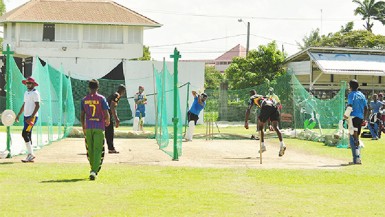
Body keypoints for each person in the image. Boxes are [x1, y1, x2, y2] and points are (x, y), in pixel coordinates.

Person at [81, 79, 110, 180]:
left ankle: (92, 169)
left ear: (89, 87)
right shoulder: (101, 98)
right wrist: (107, 120)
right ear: (98, 87)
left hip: (88, 126)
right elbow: (106, 113)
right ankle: (94, 171)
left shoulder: (84, 100)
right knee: (98, 149)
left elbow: (82, 114)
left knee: (90, 149)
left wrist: (83, 126)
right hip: (99, 126)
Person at [245, 90, 286, 157]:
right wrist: (269, 124)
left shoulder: (252, 98)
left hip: (266, 107)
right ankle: (282, 144)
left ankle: (262, 146)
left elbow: (248, 109)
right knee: (276, 127)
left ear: (251, 94)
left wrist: (246, 122)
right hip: (275, 107)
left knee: (260, 126)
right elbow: (269, 111)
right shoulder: (263, 96)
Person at [15, 77, 41, 163]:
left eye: (30, 83)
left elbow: (37, 106)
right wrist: (18, 114)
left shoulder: (35, 93)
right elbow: (24, 104)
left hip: (32, 117)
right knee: (28, 134)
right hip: (26, 116)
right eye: (27, 83)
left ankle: (31, 154)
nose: (28, 84)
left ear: (33, 84)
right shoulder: (26, 93)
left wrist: (32, 116)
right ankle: (30, 154)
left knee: (24, 133)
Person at [343, 79, 367, 165]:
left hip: (353, 117)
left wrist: (345, 116)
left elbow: (350, 106)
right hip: (360, 118)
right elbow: (366, 108)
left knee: (353, 137)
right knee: (356, 137)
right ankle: (358, 158)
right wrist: (364, 118)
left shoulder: (351, 95)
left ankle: (356, 159)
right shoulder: (362, 95)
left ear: (351, 86)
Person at [105, 84, 126, 154]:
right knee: (109, 132)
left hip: (105, 114)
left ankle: (109, 148)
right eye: (124, 91)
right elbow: (112, 107)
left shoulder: (114, 95)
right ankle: (111, 148)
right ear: (122, 91)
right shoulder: (117, 96)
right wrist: (116, 119)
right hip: (107, 115)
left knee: (107, 132)